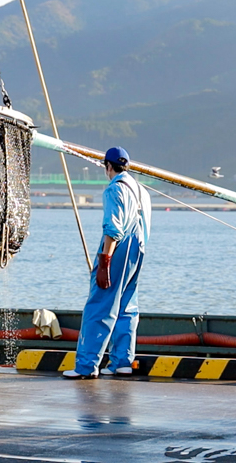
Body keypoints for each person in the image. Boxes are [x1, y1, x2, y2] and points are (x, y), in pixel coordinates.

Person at [63, 147, 151, 379]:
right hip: (139, 249)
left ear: (108, 166)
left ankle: (86, 366)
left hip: (119, 248)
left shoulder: (115, 189)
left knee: (99, 306)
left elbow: (113, 228)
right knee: (127, 306)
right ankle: (122, 362)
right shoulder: (141, 191)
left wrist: (105, 261)